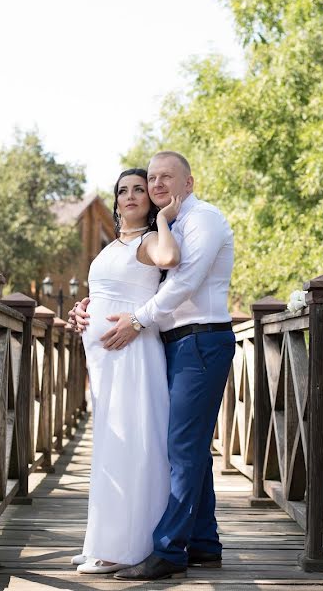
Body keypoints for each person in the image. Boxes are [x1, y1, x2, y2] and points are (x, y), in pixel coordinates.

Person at [71, 151, 235, 581]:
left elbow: (183, 281)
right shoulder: (172, 223)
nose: (156, 185)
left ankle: (168, 551)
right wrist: (88, 307)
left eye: (164, 178)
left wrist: (137, 318)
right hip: (169, 344)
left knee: (182, 450)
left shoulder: (203, 221)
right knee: (186, 448)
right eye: (153, 178)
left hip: (199, 341)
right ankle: (203, 543)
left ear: (189, 182)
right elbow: (131, 280)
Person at [72, 167, 184, 574]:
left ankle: (125, 546)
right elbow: (101, 291)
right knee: (109, 441)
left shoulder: (151, 239)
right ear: (116, 200)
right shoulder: (112, 246)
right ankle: (103, 538)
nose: (132, 195)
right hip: (103, 358)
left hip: (133, 353)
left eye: (140, 189)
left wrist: (164, 220)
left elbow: (171, 259)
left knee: (132, 443)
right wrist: (81, 310)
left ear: (151, 200)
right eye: (124, 191)